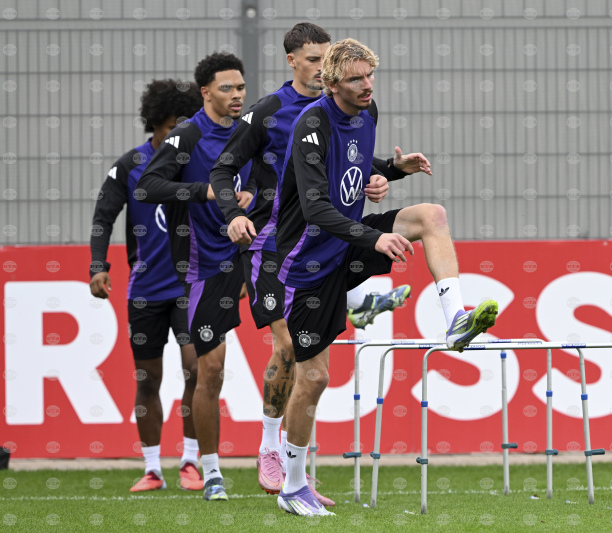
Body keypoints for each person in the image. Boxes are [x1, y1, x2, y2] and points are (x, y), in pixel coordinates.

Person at [274, 38, 498, 516]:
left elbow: (353, 170)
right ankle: (293, 487)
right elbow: (314, 207)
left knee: (430, 215)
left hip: (347, 242)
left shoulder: (367, 112)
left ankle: (454, 318)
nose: (367, 85)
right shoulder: (311, 123)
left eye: (370, 75)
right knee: (314, 378)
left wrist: (390, 172)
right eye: (355, 78)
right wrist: (373, 238)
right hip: (306, 262)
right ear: (331, 84)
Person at [209, 23, 430, 503]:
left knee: (312, 364)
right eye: (313, 59)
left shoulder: (345, 110)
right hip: (270, 246)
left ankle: (295, 474)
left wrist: (385, 174)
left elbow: (349, 166)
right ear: (293, 61)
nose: (322, 66)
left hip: (320, 244)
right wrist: (232, 214)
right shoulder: (269, 111)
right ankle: (270, 451)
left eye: (326, 57)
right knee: (288, 345)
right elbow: (222, 168)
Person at [137, 53, 254, 502]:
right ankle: (211, 472)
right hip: (205, 267)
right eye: (227, 88)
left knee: (291, 351)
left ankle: (287, 462)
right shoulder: (187, 135)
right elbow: (148, 186)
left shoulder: (249, 131)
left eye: (240, 87)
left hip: (252, 255)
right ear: (206, 92)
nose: (237, 95)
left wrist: (253, 193)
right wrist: (204, 190)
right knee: (212, 369)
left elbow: (274, 176)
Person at [88, 79, 205, 492]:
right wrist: (98, 266)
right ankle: (153, 468)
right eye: (175, 126)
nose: (180, 134)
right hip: (145, 291)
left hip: (190, 286)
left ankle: (190, 461)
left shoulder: (196, 161)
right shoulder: (130, 165)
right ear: (158, 122)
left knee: (196, 369)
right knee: (148, 380)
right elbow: (103, 216)